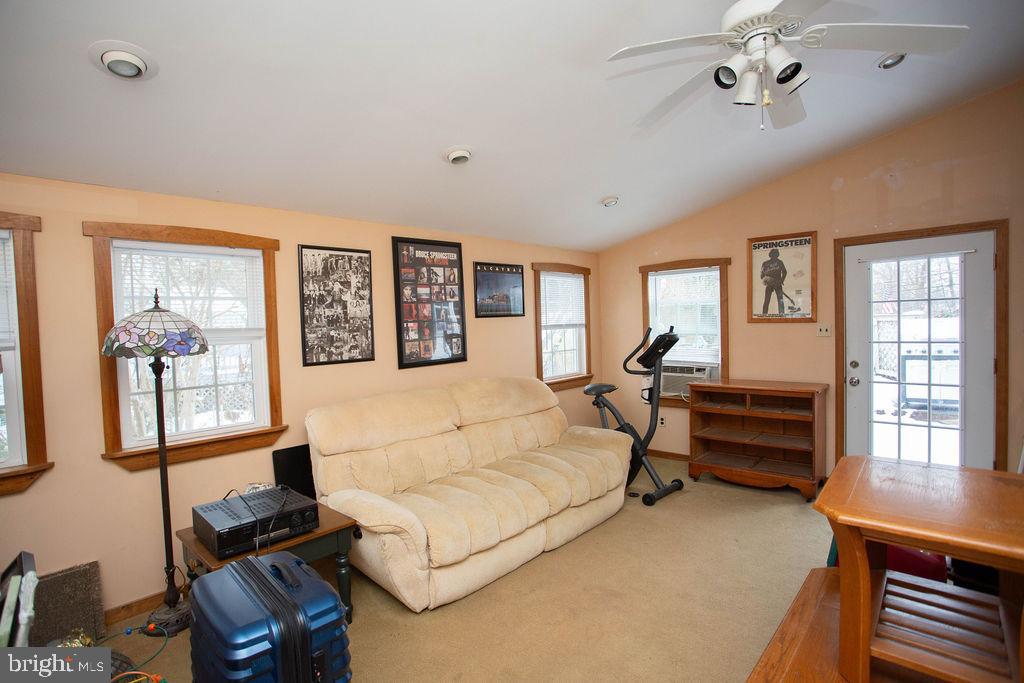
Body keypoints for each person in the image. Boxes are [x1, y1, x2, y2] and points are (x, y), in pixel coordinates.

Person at [760, 248, 787, 316]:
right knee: (767, 300)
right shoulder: (765, 263)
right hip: (769, 284)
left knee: (780, 301)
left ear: (778, 255)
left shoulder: (780, 262)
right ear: (770, 254)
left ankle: (782, 315)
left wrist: (781, 281)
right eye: (773, 254)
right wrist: (766, 281)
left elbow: (784, 272)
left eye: (776, 254)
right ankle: (764, 315)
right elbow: (762, 275)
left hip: (778, 283)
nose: (775, 255)